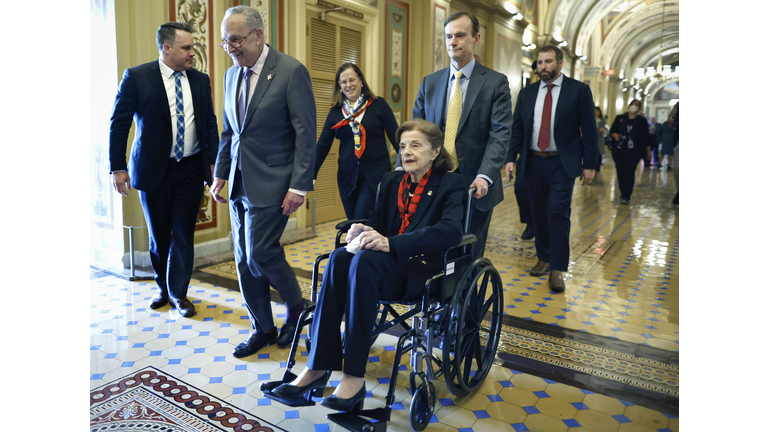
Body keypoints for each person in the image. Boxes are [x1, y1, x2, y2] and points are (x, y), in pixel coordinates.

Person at [268, 119, 465, 412]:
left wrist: (392, 243)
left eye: (415, 145)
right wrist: (362, 228)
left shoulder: (451, 183)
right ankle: (317, 368)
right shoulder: (391, 181)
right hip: (381, 265)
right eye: (402, 146)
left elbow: (451, 230)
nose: (406, 152)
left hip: (419, 270)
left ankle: (353, 377)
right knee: (338, 258)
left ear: (436, 152)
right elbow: (378, 222)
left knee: (364, 262)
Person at [210, 5, 316, 357]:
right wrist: (221, 173)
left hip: (275, 181)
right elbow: (230, 133)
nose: (231, 47)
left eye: (236, 39)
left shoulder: (289, 72)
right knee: (242, 261)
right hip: (239, 182)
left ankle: (296, 307)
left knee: (260, 253)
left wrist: (299, 185)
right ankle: (263, 328)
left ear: (258, 35)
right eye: (225, 41)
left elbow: (305, 134)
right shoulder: (229, 77)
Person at [109, 22, 219, 318]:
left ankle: (179, 294)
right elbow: (119, 123)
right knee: (160, 237)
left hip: (191, 170)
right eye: (186, 48)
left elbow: (209, 122)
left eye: (192, 47)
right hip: (154, 169)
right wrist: (117, 167)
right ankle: (162, 286)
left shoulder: (200, 79)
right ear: (166, 48)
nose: (192, 53)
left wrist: (214, 161)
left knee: (184, 235)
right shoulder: (137, 77)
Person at [412, 11, 512, 259]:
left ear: (476, 38)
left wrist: (485, 176)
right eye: (448, 36)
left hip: (475, 186)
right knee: (432, 248)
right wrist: (404, 170)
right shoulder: (430, 83)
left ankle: (465, 298)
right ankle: (437, 296)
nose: (453, 42)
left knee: (468, 254)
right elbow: (415, 132)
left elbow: (500, 133)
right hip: (434, 181)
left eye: (460, 35)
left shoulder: (495, 83)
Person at [504, 45, 598, 293]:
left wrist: (590, 164)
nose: (542, 67)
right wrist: (510, 158)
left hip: (561, 162)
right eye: (539, 62)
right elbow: (518, 129)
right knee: (538, 213)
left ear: (560, 63)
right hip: (532, 161)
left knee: (558, 212)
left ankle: (556, 268)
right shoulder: (527, 93)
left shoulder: (578, 91)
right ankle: (544, 257)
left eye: (547, 62)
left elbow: (589, 129)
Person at [314, 63, 399, 220]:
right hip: (347, 176)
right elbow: (323, 145)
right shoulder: (335, 112)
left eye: (352, 80)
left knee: (361, 221)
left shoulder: (378, 105)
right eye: (344, 82)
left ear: (361, 80)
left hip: (375, 174)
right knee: (353, 222)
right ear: (339, 85)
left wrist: (403, 168)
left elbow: (397, 138)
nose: (348, 85)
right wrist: (310, 175)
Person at [608, 99, 653, 205]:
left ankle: (626, 195)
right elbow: (612, 131)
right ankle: (623, 191)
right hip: (619, 149)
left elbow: (646, 137)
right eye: (632, 104)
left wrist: (648, 151)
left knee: (629, 171)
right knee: (620, 171)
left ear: (639, 108)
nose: (634, 106)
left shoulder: (641, 121)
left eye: (636, 105)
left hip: (635, 150)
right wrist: (616, 136)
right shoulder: (620, 118)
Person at [594, 107, 608, 181]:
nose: (595, 112)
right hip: (591, 141)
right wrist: (598, 130)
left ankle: (595, 174)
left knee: (598, 159)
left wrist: (595, 131)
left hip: (599, 142)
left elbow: (602, 131)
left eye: (597, 111)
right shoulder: (590, 119)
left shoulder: (602, 121)